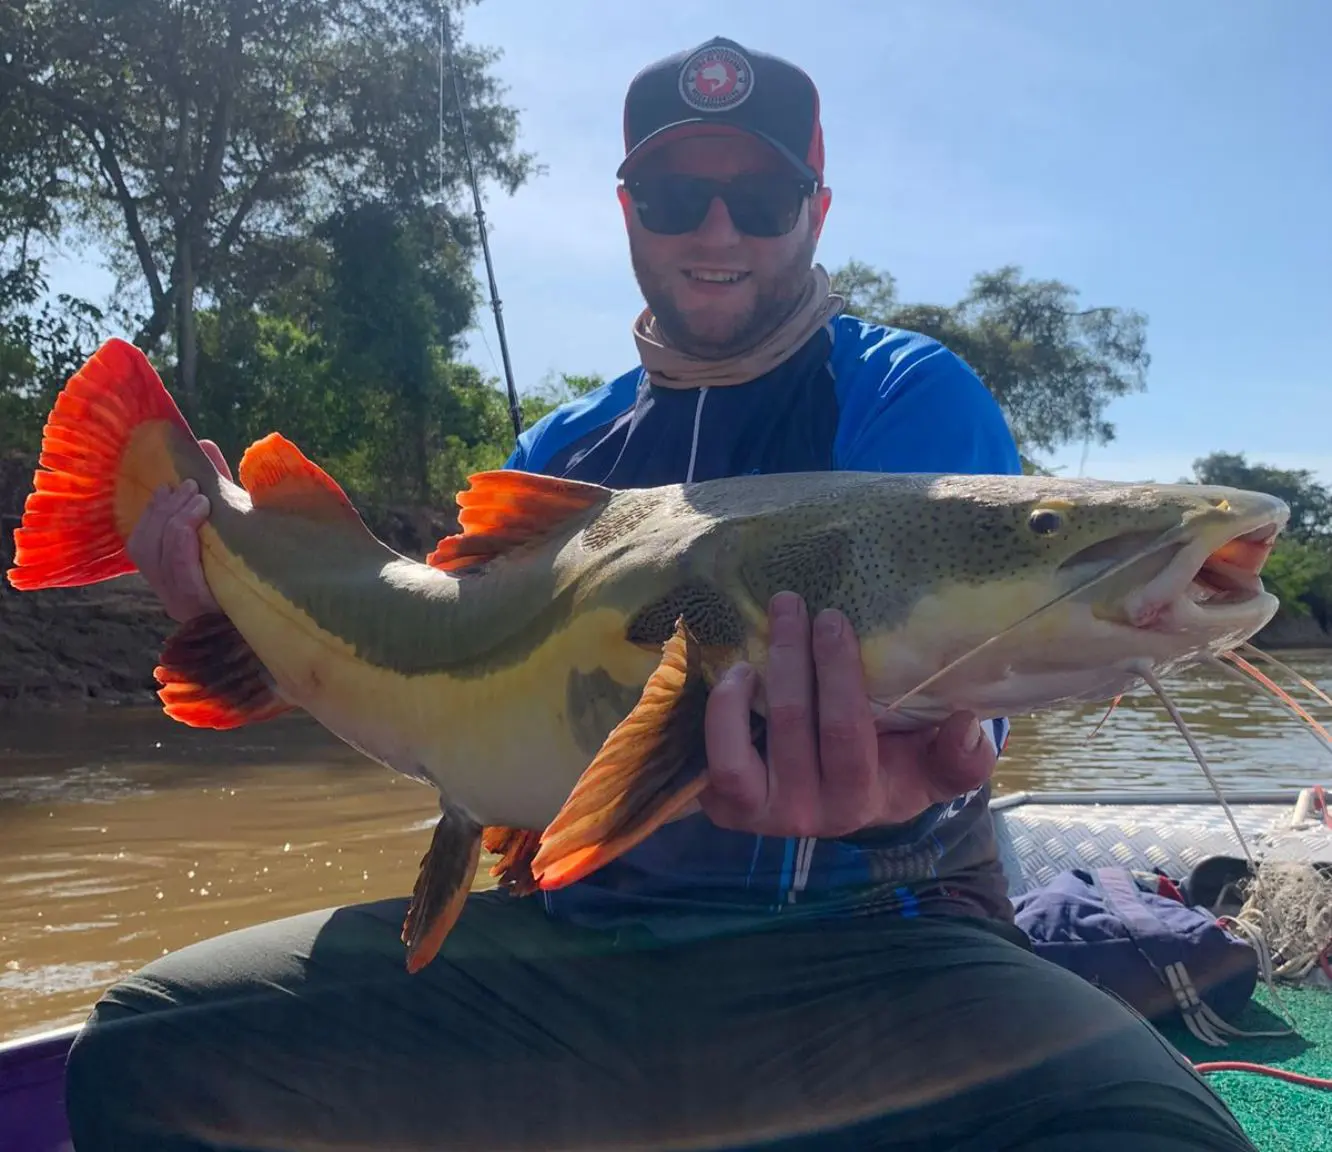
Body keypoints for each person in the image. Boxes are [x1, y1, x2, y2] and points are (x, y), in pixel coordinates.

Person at [63, 36, 1258, 1152]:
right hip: (583, 954)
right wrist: (245, 612)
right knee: (146, 1049)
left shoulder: (913, 396)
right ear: (631, 213)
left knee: (1155, 1135)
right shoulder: (558, 453)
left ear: (816, 214)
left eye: (763, 197)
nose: (718, 228)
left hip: (880, 955)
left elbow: (972, 699)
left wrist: (917, 781)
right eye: (680, 199)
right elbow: (445, 726)